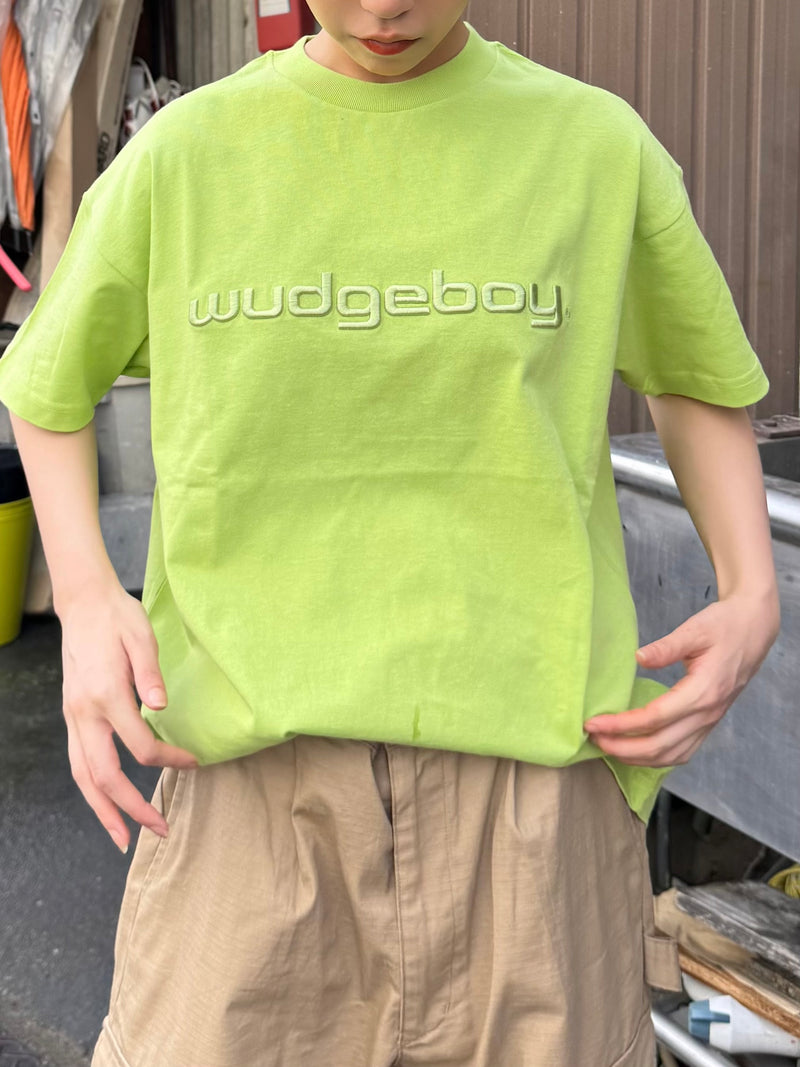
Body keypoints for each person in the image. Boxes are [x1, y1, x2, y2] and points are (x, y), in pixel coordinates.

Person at [0, 1, 780, 1064]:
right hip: (246, 805)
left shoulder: (594, 149)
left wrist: (751, 590)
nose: (382, 8)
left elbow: (692, 373)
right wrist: (87, 598)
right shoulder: (185, 157)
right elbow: (46, 384)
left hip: (536, 810)